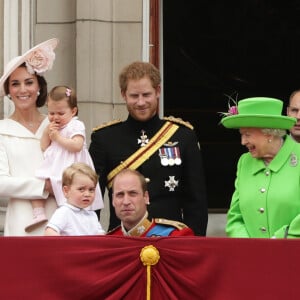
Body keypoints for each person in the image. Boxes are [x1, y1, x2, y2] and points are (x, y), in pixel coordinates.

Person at [89, 61, 207, 236]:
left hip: (171, 240)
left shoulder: (182, 136)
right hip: (122, 239)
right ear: (123, 95)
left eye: (146, 94)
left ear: (158, 91)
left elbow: (196, 201)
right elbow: (92, 200)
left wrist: (193, 246)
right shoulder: (104, 139)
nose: (141, 102)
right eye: (134, 96)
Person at [0, 38, 59, 236]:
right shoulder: (2, 130)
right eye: (15, 84)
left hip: (60, 218)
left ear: (39, 86)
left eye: (29, 82)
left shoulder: (56, 124)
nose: (22, 90)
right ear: (9, 91)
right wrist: (43, 186)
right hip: (21, 224)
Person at [220, 96, 300, 238]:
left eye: (247, 134)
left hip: (293, 253)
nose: (243, 141)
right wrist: (250, 247)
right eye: (241, 134)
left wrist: (282, 238)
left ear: (269, 133)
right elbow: (235, 217)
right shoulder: (245, 162)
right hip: (251, 256)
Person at [29, 86, 104, 232]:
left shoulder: (75, 124)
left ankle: (74, 216)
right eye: (51, 113)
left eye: (61, 113)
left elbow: (76, 145)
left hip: (72, 165)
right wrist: (47, 132)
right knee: (38, 183)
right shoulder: (52, 126)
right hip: (56, 165)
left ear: (73, 111)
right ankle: (38, 212)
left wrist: (57, 137)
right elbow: (44, 146)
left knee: (71, 188)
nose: (55, 117)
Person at [107, 169, 194, 237]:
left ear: (146, 197)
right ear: (113, 200)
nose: (126, 202)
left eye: (133, 194)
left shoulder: (175, 235)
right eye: (120, 195)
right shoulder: (108, 242)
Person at [45, 162, 105, 236]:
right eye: (81, 189)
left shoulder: (92, 214)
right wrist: (66, 245)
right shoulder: (64, 212)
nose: (87, 194)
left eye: (91, 190)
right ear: (66, 191)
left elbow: (100, 236)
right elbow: (49, 232)